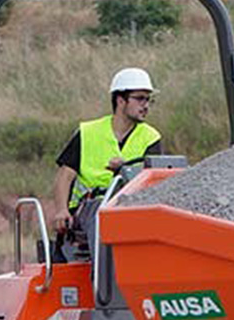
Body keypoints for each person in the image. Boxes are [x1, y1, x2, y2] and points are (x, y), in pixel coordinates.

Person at [52, 66, 162, 255]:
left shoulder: (151, 137)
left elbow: (155, 179)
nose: (146, 105)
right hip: (91, 205)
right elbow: (65, 175)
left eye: (149, 99)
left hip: (132, 205)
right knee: (103, 216)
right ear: (121, 100)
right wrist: (62, 210)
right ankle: (103, 282)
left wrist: (124, 170)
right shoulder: (88, 132)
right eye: (140, 98)